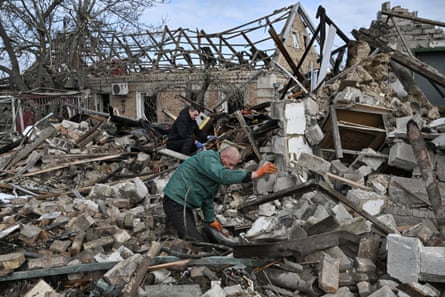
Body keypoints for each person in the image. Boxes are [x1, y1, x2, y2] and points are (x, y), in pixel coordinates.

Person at [163, 145, 278, 241]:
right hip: (175, 201)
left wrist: (210, 220)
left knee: (191, 234)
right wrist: (255, 174)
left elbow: (208, 198)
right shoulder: (208, 159)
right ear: (223, 157)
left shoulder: (214, 175)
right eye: (231, 164)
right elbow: (224, 176)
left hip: (184, 204)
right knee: (194, 240)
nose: (231, 168)